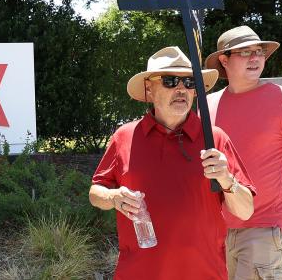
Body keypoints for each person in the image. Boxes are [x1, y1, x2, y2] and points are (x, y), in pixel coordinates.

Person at [90, 46, 255, 280]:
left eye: (189, 83)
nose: (181, 89)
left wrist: (227, 180)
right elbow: (95, 192)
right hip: (139, 273)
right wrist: (113, 197)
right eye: (170, 81)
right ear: (149, 88)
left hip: (203, 273)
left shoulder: (214, 138)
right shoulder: (125, 137)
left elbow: (246, 210)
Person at [205, 26, 282, 279]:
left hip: (267, 228)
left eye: (259, 52)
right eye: (245, 52)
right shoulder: (207, 105)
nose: (255, 58)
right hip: (216, 229)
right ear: (224, 60)